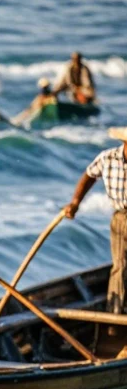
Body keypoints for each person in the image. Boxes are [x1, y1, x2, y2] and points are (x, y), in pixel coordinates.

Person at [64, 127, 127, 316]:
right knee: (121, 265)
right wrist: (75, 202)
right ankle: (115, 314)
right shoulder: (107, 158)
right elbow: (89, 176)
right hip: (121, 217)